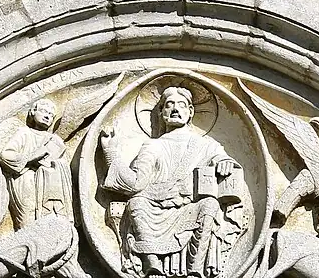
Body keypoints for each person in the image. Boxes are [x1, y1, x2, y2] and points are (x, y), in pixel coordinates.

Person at [99, 86, 241, 278]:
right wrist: (111, 154)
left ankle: (195, 269)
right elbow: (136, 183)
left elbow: (223, 159)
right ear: (161, 113)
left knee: (209, 204)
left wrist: (225, 163)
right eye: (169, 105)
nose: (175, 109)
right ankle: (152, 263)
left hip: (188, 207)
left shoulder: (206, 145)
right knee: (136, 203)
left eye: (181, 105)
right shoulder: (153, 145)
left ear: (190, 112)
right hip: (154, 205)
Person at [0, 99, 72, 230]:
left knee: (51, 224)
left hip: (49, 187)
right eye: (43, 111)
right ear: (33, 112)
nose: (47, 116)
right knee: (28, 221)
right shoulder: (24, 133)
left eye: (51, 115)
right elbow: (5, 155)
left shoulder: (55, 140)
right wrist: (33, 156)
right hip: (26, 181)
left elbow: (65, 165)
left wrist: (55, 164)